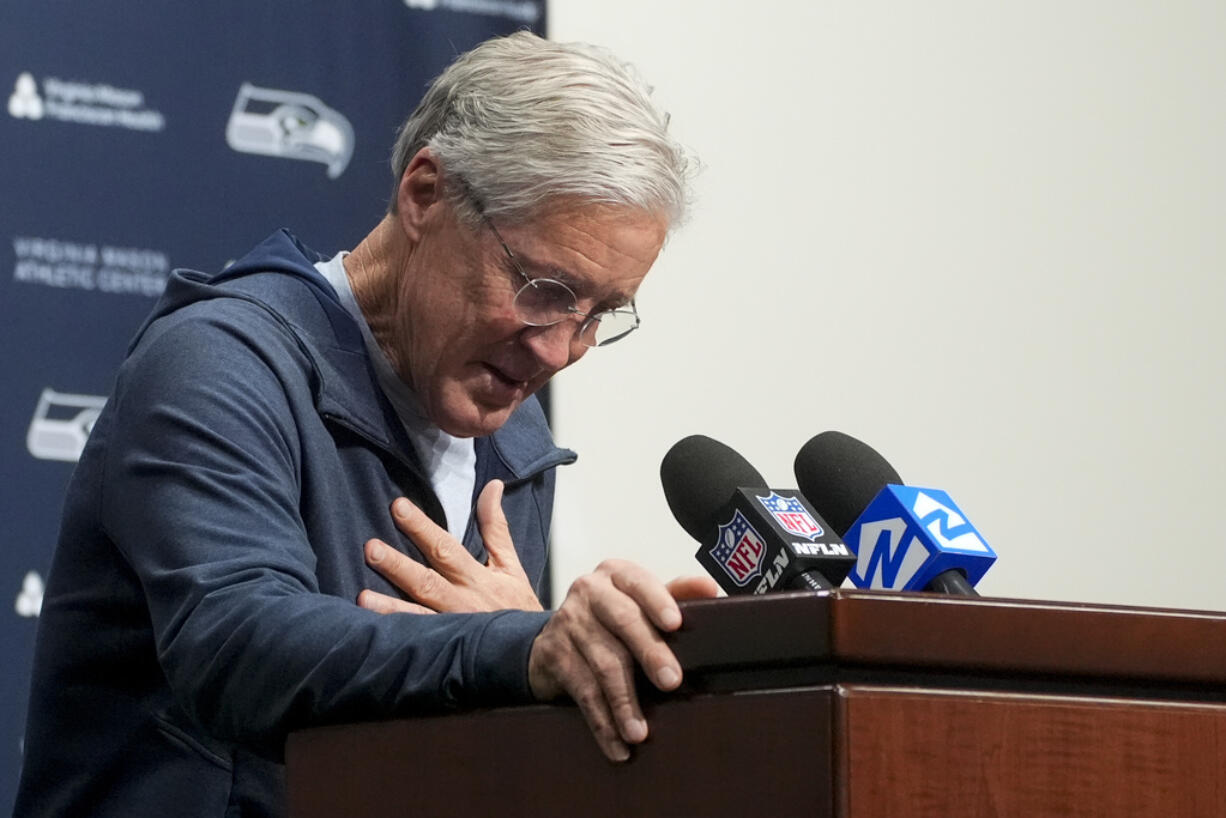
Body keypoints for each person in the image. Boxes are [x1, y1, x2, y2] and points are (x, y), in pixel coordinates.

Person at [15, 32, 716, 817]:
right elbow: (239, 645)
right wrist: (525, 645)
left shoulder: (513, 446)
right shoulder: (216, 363)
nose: (561, 347)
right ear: (424, 196)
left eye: (599, 314)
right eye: (544, 287)